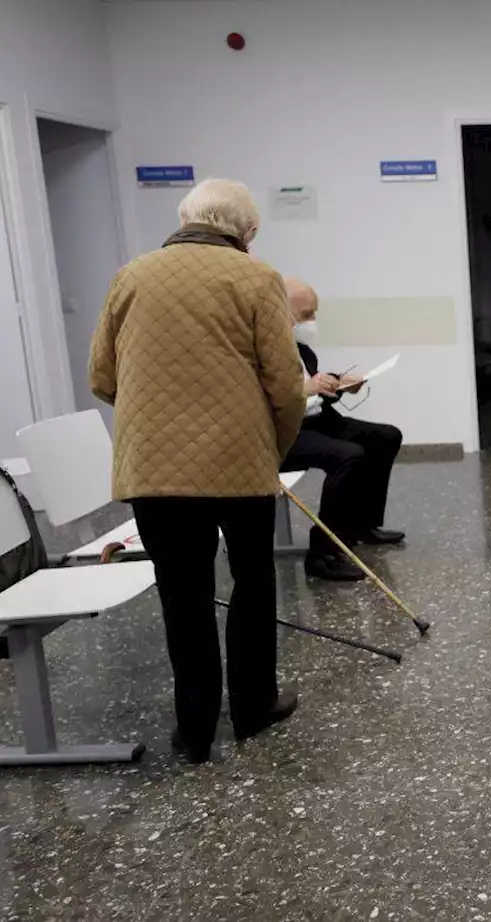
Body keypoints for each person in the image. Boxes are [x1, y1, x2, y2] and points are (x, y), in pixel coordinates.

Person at [89, 179, 306, 764]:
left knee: (182, 596)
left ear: (186, 217)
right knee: (253, 585)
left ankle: (195, 731)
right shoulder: (257, 279)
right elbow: (287, 387)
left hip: (154, 468)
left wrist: (158, 422)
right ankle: (253, 709)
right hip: (239, 463)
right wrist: (272, 447)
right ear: (248, 232)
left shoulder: (129, 275)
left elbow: (102, 377)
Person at [278, 279, 405, 582]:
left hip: (318, 420)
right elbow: (268, 399)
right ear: (282, 312)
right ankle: (322, 553)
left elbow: (312, 389)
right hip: (286, 432)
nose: (312, 322)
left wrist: (339, 383)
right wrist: (308, 388)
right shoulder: (263, 351)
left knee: (386, 436)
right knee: (348, 455)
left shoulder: (302, 350)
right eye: (307, 314)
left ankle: (362, 525)